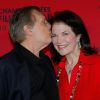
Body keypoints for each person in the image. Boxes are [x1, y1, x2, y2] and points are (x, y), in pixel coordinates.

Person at [0, 6, 59, 100]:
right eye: (44, 22)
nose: (49, 25)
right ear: (28, 29)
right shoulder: (5, 66)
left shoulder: (47, 61)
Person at [50, 10, 100, 100]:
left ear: (78, 36)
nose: (59, 41)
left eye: (65, 34)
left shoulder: (97, 64)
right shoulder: (55, 68)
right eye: (54, 35)